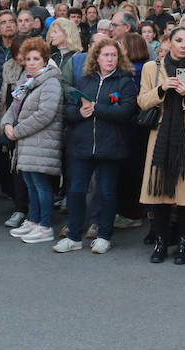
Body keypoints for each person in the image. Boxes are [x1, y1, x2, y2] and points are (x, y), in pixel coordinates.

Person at [56, 36, 138, 254]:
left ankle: (104, 235)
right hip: (81, 145)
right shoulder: (83, 80)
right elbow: (68, 110)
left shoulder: (126, 81)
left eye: (113, 55)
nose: (110, 59)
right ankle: (73, 236)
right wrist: (80, 112)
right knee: (75, 191)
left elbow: (126, 112)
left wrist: (96, 108)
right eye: (106, 55)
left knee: (106, 192)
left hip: (110, 147)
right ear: (97, 57)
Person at [137, 26, 185, 265]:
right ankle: (160, 243)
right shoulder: (152, 68)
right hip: (160, 137)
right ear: (168, 42)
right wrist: (162, 89)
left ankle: (184, 244)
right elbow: (143, 102)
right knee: (161, 195)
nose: (183, 45)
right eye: (178, 40)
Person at [1, 38, 65, 246]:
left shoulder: (51, 82)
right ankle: (34, 219)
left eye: (36, 58)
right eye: (28, 58)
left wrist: (16, 131)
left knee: (41, 184)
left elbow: (45, 115)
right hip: (26, 141)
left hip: (40, 142)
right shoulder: (26, 81)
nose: (31, 62)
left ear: (45, 60)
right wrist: (7, 124)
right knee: (30, 183)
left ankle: (45, 226)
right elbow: (13, 107)